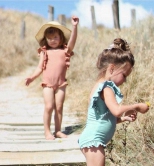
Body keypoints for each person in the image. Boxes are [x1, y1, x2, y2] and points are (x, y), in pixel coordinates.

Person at [78, 38, 149, 166]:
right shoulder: (106, 87)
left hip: (91, 139)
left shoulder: (99, 86)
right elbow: (116, 110)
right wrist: (137, 106)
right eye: (124, 75)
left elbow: (105, 117)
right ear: (111, 69)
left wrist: (124, 118)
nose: (125, 80)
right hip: (94, 140)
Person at [25, 16, 79, 140]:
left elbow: (73, 41)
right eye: (50, 38)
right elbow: (39, 68)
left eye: (55, 37)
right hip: (48, 84)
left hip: (61, 84)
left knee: (59, 107)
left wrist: (75, 27)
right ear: (45, 40)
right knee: (49, 106)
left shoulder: (65, 50)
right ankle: (47, 131)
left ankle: (58, 130)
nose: (53, 40)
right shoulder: (44, 51)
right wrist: (32, 78)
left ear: (61, 37)